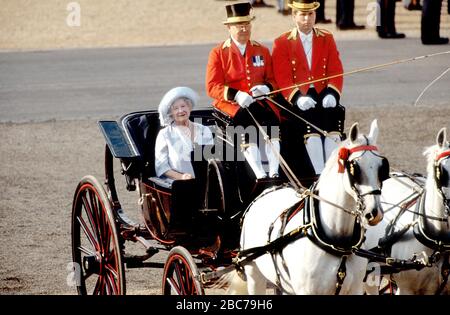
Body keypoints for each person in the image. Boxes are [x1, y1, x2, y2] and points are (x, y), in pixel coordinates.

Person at [206, 1, 281, 179]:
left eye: (247, 24)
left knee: (272, 125)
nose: (244, 29)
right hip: (232, 105)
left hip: (259, 102)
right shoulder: (218, 53)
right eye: (239, 26)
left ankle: (275, 171)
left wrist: (265, 88)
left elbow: (273, 81)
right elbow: (212, 86)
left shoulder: (261, 50)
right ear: (229, 28)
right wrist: (236, 95)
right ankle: (260, 175)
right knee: (245, 126)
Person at [272, 0, 345, 178]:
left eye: (310, 14)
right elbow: (282, 77)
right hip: (300, 95)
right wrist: (296, 97)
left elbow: (335, 68)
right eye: (302, 14)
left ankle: (333, 172)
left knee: (332, 124)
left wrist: (332, 92)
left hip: (323, 92)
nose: (307, 19)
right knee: (311, 126)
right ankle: (319, 173)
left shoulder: (326, 38)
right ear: (293, 15)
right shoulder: (282, 42)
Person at [155, 86, 214, 181]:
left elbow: (212, 159)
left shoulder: (204, 130)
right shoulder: (165, 134)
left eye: (183, 106)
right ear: (171, 113)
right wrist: (182, 177)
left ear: (189, 107)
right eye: (175, 108)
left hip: (206, 181)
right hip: (179, 184)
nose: (180, 111)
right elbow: (161, 167)